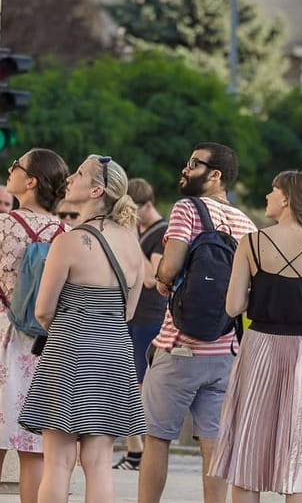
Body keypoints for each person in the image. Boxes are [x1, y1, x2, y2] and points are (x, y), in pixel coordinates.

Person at [19, 155, 146, 502]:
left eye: (78, 173)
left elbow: (43, 310)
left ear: (96, 189)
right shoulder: (132, 244)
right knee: (99, 461)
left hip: (70, 350)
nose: (70, 178)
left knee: (58, 461)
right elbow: (128, 312)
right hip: (115, 352)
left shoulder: (70, 241)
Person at [208, 170, 302, 501]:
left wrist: (263, 293)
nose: (267, 196)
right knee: (299, 462)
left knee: (248, 455)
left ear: (287, 199)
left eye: (272, 189)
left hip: (261, 347)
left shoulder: (252, 243)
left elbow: (234, 305)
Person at [138, 142, 256, 503]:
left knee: (157, 439)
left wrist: (162, 278)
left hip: (179, 348)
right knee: (215, 447)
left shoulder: (186, 209)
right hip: (225, 353)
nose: (185, 169)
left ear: (215, 174)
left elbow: (170, 267)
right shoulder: (246, 224)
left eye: (194, 163)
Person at [0, 148, 69, 503]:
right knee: (35, 449)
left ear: (31, 181)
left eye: (16, 167)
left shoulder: (0, 224)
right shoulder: (65, 231)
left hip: (3, 334)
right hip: (46, 343)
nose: (10, 170)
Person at [111, 177, 168, 471]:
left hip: (150, 316)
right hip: (134, 314)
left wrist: (133, 240)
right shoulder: (144, 230)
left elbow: (151, 277)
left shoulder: (161, 232)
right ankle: (135, 448)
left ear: (147, 205)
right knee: (129, 382)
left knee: (136, 384)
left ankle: (138, 451)